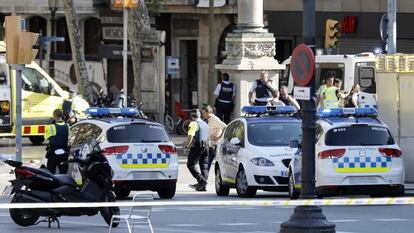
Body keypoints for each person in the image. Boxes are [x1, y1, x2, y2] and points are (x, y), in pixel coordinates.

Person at [185, 109, 209, 191]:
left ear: (191, 116)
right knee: (204, 167)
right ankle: (203, 186)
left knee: (190, 164)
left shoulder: (193, 123)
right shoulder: (205, 123)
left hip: (198, 146)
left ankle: (202, 181)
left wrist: (187, 146)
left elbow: (190, 136)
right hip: (206, 146)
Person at [201, 105, 227, 172]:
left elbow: (225, 126)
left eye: (204, 113)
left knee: (219, 164)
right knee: (207, 163)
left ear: (208, 112)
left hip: (217, 146)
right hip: (211, 145)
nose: (203, 114)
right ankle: (204, 179)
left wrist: (218, 137)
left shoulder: (214, 119)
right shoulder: (207, 120)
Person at [44, 109, 70, 174]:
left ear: (54, 116)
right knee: (63, 172)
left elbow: (46, 137)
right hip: (64, 152)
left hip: (53, 152)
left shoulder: (51, 127)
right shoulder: (67, 125)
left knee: (51, 172)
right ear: (62, 115)